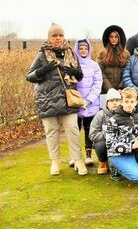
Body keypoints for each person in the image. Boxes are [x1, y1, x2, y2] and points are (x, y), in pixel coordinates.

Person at [26, 23, 87, 176]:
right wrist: (43, 70)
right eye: (54, 36)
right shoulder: (42, 55)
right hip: (48, 100)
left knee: (73, 130)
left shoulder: (71, 53)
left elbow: (79, 75)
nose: (58, 38)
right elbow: (30, 76)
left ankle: (78, 160)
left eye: (60, 35)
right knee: (52, 131)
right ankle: (55, 161)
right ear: (49, 38)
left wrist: (75, 72)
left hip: (68, 99)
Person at [106, 87, 138, 183]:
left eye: (131, 101)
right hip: (118, 155)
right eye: (126, 101)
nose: (129, 104)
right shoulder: (113, 120)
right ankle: (116, 167)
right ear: (121, 102)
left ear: (136, 102)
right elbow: (110, 146)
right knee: (137, 178)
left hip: (133, 152)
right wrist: (131, 146)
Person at [74, 38, 103, 167]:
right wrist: (77, 100)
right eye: (81, 48)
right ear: (77, 50)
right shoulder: (73, 64)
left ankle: (88, 155)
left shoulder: (94, 65)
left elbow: (97, 83)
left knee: (88, 129)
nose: (83, 50)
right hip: (75, 103)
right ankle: (75, 156)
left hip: (91, 103)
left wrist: (88, 99)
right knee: (75, 129)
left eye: (85, 48)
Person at [89, 88, 122, 175]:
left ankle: (121, 164)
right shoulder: (100, 115)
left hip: (121, 141)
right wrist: (108, 134)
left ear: (121, 102)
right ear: (107, 103)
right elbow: (92, 135)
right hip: (105, 141)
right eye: (111, 101)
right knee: (100, 144)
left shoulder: (125, 114)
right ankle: (103, 163)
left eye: (117, 100)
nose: (115, 103)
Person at [97, 25, 130, 95]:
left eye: (116, 37)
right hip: (106, 91)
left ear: (119, 38)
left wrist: (121, 88)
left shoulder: (126, 53)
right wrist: (110, 89)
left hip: (122, 91)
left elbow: (128, 71)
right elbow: (99, 72)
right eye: (111, 37)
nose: (114, 39)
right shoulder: (102, 53)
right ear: (108, 38)